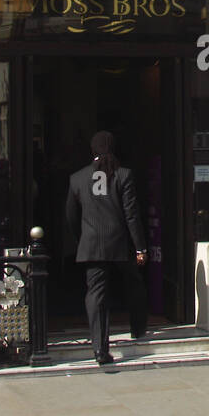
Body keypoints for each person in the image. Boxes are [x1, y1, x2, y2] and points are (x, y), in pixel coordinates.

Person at [64, 130, 149, 366]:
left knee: (96, 294)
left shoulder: (77, 178)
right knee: (134, 282)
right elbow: (132, 215)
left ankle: (100, 348)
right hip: (120, 242)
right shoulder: (123, 175)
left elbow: (71, 216)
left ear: (92, 150)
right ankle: (138, 329)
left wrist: (81, 238)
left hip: (91, 243)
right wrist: (140, 247)